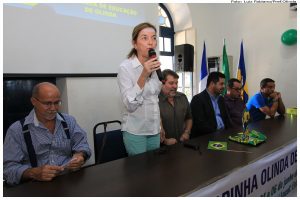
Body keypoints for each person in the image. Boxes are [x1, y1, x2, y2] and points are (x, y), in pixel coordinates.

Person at [3, 82, 91, 185]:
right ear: (34, 101)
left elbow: (82, 144)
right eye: (47, 103)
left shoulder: (68, 121)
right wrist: (33, 173)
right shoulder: (17, 130)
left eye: (57, 102)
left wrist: (80, 156)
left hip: (68, 181)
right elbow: (8, 169)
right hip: (35, 186)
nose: (53, 108)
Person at [117, 22, 162, 156]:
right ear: (135, 44)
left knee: (155, 171)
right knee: (140, 174)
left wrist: (160, 126)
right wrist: (144, 74)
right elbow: (129, 105)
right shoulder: (125, 68)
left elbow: (154, 100)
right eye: (144, 38)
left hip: (154, 130)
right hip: (136, 131)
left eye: (154, 38)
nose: (150, 42)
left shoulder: (155, 66)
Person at [190, 72, 231, 138]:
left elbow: (227, 120)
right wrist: (218, 134)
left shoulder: (221, 99)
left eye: (224, 84)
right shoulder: (198, 99)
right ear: (212, 84)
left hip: (224, 135)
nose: (224, 87)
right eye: (221, 84)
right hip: (207, 138)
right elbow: (201, 125)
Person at [159, 69, 192, 146]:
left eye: (176, 83)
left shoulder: (183, 97)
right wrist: (165, 141)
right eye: (171, 83)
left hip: (183, 144)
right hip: (163, 148)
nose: (175, 86)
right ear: (162, 83)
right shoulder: (155, 100)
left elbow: (189, 118)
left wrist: (187, 132)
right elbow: (152, 127)